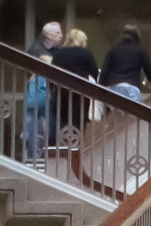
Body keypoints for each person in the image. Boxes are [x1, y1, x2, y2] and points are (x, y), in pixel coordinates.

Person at [49, 28, 99, 143]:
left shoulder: (58, 55)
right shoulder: (85, 54)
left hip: (61, 94)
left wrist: (53, 90)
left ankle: (63, 150)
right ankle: (77, 152)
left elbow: (51, 73)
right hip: (81, 94)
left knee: (63, 123)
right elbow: (94, 73)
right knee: (79, 124)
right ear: (81, 40)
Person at [22, 21, 62, 161]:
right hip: (38, 93)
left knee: (51, 126)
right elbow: (28, 70)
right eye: (57, 33)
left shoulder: (58, 52)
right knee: (33, 126)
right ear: (47, 34)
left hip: (51, 94)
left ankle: (49, 156)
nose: (61, 36)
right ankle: (33, 156)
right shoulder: (35, 50)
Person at [100, 24, 151, 103]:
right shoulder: (140, 51)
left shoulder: (113, 50)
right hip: (131, 89)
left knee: (113, 112)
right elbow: (150, 73)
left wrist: (101, 89)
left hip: (113, 88)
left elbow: (104, 72)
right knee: (131, 113)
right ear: (137, 36)